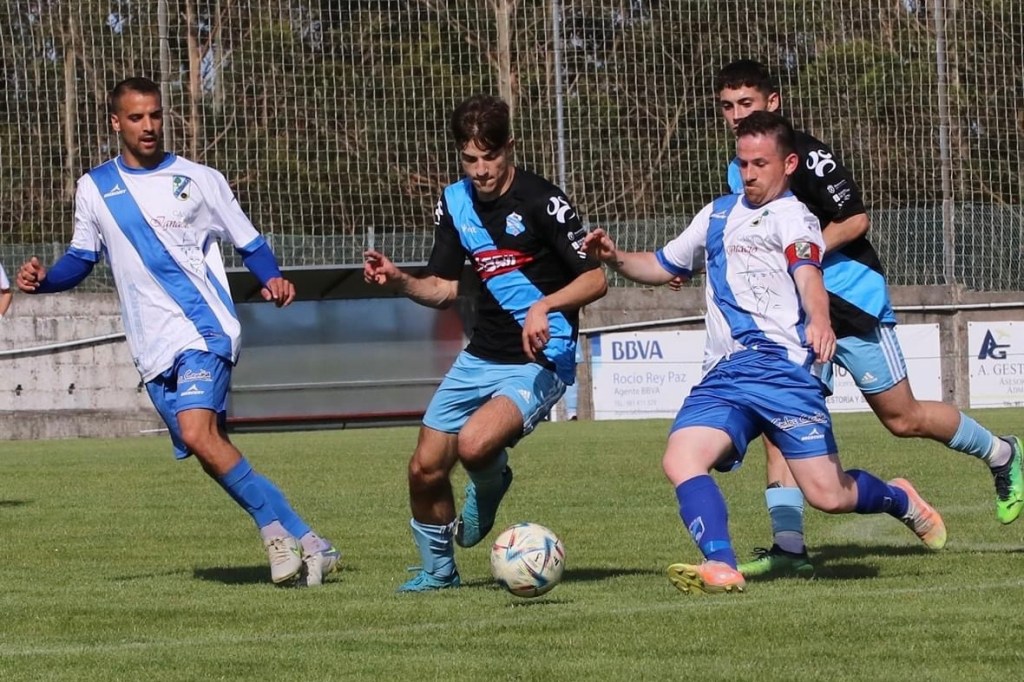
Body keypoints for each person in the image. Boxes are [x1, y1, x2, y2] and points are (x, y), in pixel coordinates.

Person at [584, 111, 945, 595]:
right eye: (743, 163)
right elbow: (661, 264)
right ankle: (722, 564)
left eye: (760, 163)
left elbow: (808, 275)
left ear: (788, 163)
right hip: (727, 373)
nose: (749, 174)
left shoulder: (796, 218)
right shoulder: (714, 215)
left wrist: (819, 318)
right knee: (680, 458)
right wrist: (615, 258)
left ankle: (898, 498)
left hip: (783, 371)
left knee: (828, 495)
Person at [16, 77, 338, 587]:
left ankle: (274, 534)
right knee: (211, 451)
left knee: (196, 432)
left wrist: (272, 276)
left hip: (204, 329)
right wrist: (43, 283)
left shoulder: (200, 178)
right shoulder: (95, 187)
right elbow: (81, 259)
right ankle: (314, 543)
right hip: (152, 347)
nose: (149, 126)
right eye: (137, 117)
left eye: (156, 115)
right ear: (115, 123)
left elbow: (248, 240)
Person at [710, 60, 1021, 579]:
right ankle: (789, 546)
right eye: (727, 106)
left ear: (773, 103)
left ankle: (1003, 453)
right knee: (778, 420)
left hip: (850, 303)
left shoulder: (807, 156)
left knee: (904, 418)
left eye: (747, 103)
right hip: (793, 317)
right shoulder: (742, 165)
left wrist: (801, 254)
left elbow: (855, 219)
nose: (737, 114)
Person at [363, 94, 607, 592]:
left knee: (474, 445)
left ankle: (492, 484)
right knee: (424, 467)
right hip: (479, 355)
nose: (480, 170)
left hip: (541, 356)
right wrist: (400, 280)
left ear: (509, 148)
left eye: (489, 157)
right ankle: (438, 572)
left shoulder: (543, 201)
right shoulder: (455, 203)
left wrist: (543, 307)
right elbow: (444, 288)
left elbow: (596, 279)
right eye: (470, 159)